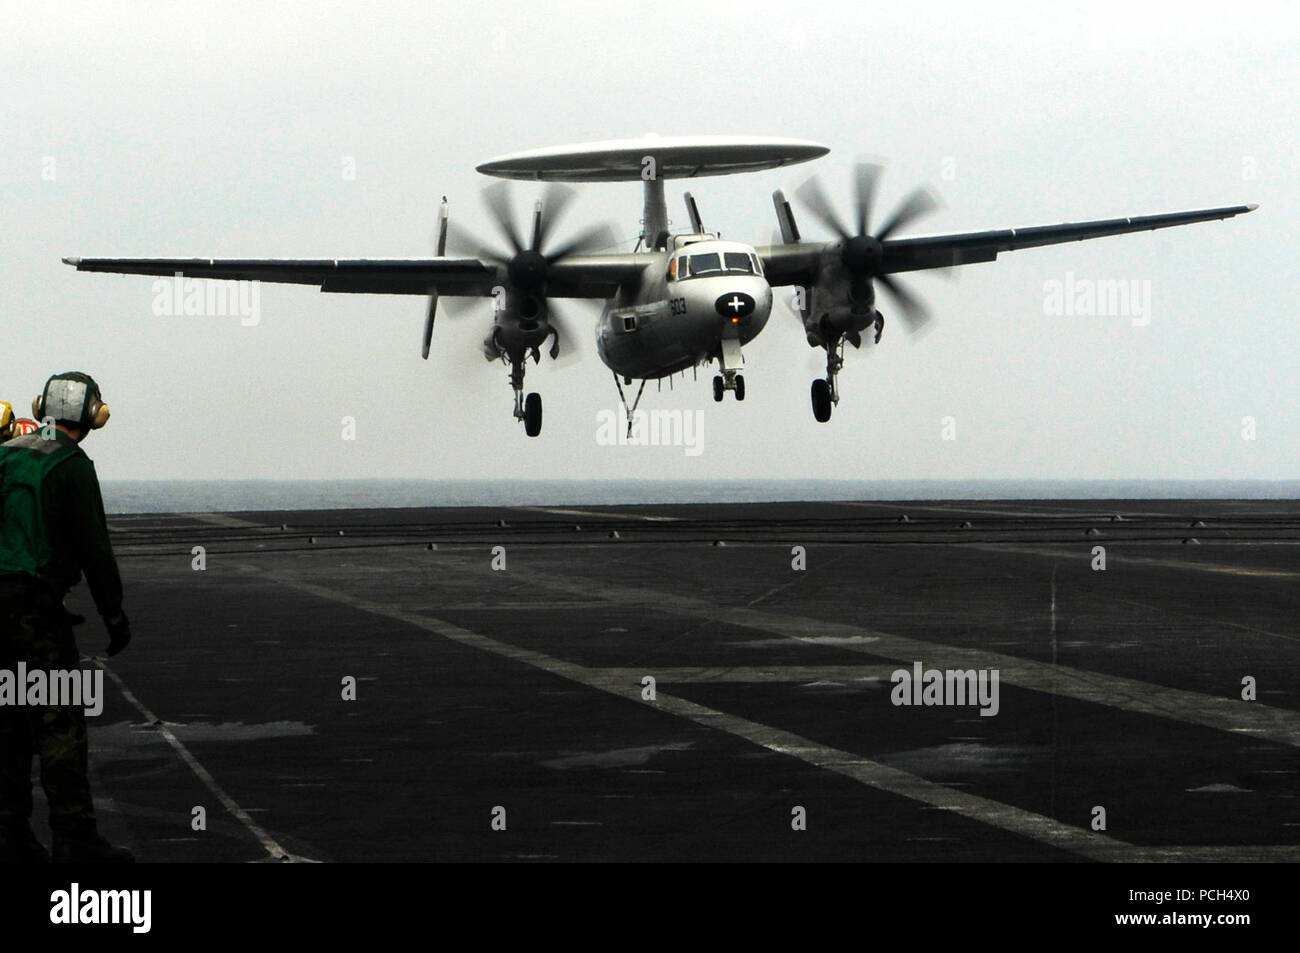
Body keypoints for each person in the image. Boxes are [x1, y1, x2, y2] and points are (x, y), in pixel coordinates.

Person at [0, 372, 133, 863]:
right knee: (59, 719)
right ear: (94, 414)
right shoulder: (73, 465)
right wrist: (114, 615)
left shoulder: (8, 452)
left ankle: (8, 835)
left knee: (8, 724)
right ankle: (75, 838)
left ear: (43, 405)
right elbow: (95, 549)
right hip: (36, 609)